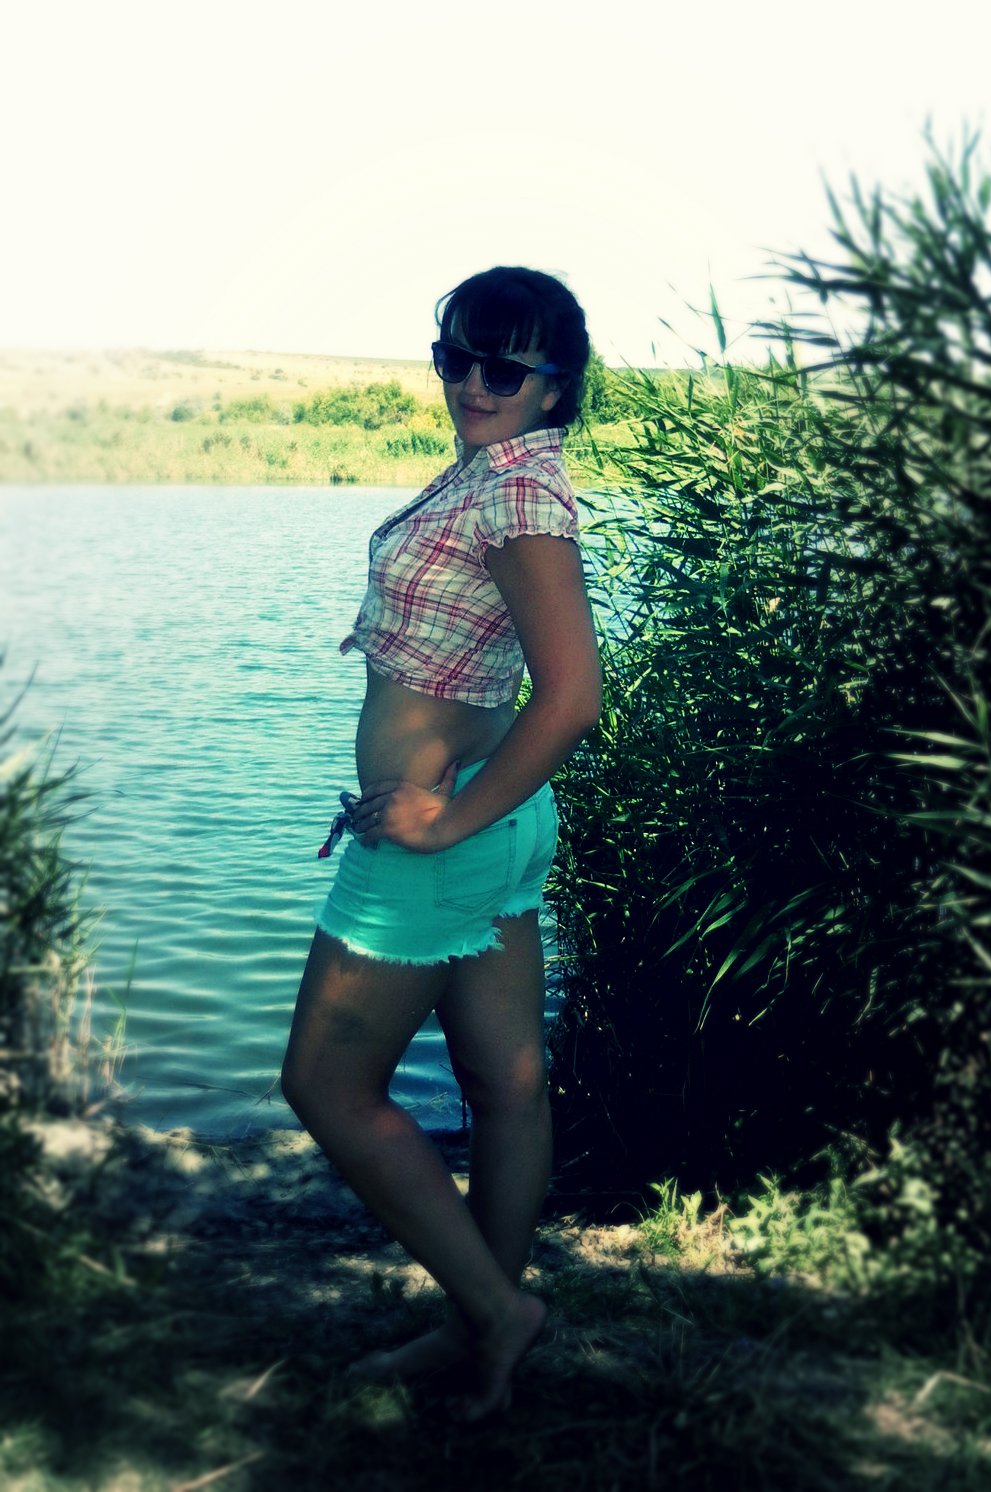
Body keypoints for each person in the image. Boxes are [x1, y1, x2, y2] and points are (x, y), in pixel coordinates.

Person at [281, 266, 601, 1421]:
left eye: (502, 367)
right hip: (490, 824)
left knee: (324, 1081)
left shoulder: (514, 490)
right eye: (455, 356)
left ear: (554, 384)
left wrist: (442, 817)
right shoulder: (500, 469)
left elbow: (572, 697)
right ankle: (479, 1332)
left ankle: (497, 1309)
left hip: (444, 837)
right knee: (504, 1086)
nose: (473, 382)